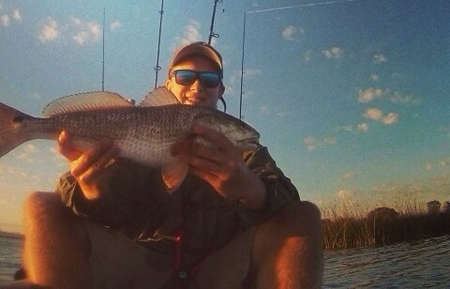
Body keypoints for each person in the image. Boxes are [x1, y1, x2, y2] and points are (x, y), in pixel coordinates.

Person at [22, 41, 323, 289]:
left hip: (218, 269)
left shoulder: (244, 152)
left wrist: (250, 189)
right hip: (142, 264)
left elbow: (288, 197)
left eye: (209, 79)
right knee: (41, 206)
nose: (197, 86)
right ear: (168, 84)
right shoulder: (127, 133)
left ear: (220, 91)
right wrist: (89, 190)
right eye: (185, 76)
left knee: (305, 213)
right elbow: (76, 196)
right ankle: (23, 127)